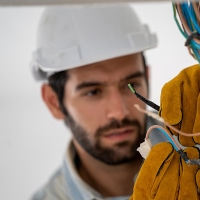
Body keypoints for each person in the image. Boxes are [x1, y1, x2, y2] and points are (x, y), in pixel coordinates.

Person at [30, 4, 166, 200]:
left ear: (147, 78)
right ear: (54, 102)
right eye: (93, 92)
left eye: (131, 84)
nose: (119, 112)